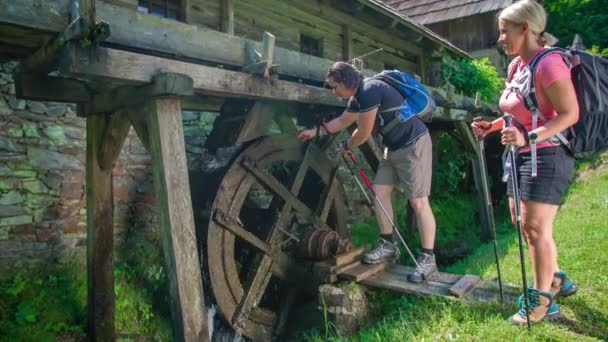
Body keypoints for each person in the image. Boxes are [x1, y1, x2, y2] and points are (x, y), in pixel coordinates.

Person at [472, 0, 578, 326]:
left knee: (535, 228)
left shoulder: (549, 64)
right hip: (519, 155)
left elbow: (569, 114)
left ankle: (542, 302)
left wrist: (528, 138)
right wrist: (493, 127)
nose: (500, 38)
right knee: (522, 222)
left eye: (504, 32)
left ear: (525, 29)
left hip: (547, 154)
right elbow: (517, 112)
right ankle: (557, 280)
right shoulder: (518, 66)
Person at [297, 61, 437, 283]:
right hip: (392, 148)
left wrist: (346, 146)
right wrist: (314, 132)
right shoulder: (357, 97)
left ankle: (428, 260)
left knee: (418, 202)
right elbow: (343, 121)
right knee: (379, 193)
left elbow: (363, 132)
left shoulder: (370, 90)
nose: (334, 92)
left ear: (346, 81)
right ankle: (388, 245)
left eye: (335, 87)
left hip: (413, 144)